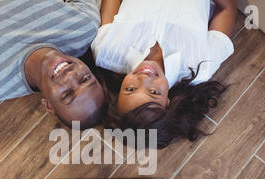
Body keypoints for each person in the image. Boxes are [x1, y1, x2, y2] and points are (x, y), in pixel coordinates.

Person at [0, 0, 105, 129]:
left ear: (48, 105)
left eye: (67, 94)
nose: (70, 75)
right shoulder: (84, 27)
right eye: (85, 79)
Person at [92, 0, 238, 148]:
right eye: (154, 92)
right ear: (168, 102)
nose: (144, 79)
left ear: (118, 96)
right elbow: (227, 7)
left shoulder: (106, 51)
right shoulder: (202, 66)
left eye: (131, 89)